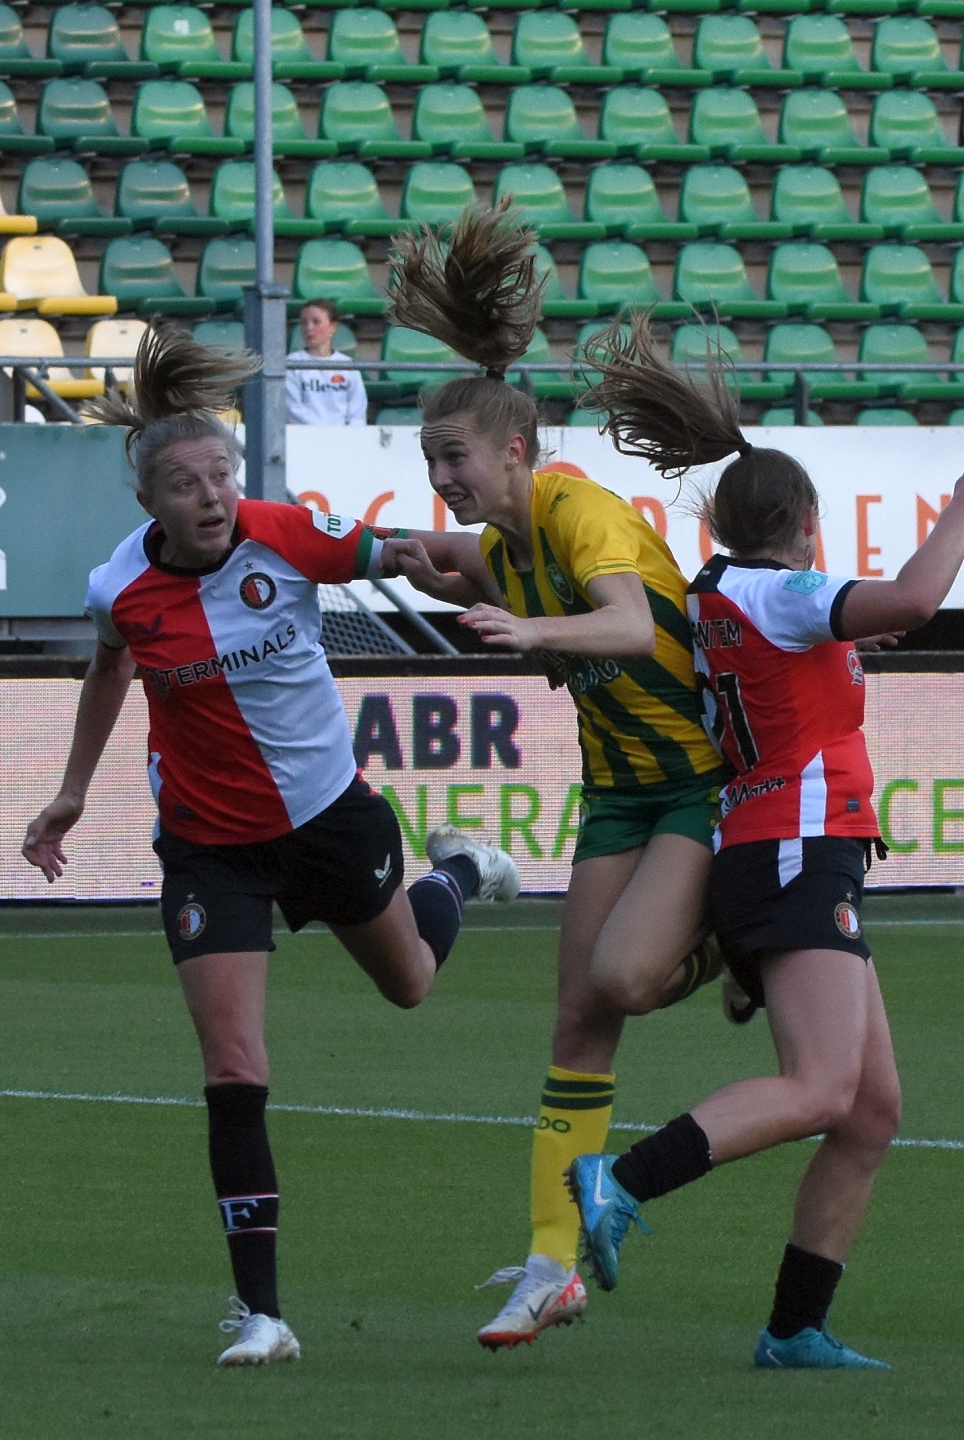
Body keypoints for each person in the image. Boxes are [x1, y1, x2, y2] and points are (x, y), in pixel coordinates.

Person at [20, 323, 521, 1368]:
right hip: (212, 851)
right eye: (187, 483)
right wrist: (71, 791)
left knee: (413, 985)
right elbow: (110, 669)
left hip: (329, 819)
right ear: (149, 501)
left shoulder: (288, 533)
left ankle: (462, 870)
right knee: (234, 1066)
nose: (211, 496)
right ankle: (262, 1315)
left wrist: (491, 588)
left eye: (221, 476)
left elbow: (406, 555)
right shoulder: (120, 589)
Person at [565, 321, 964, 1370]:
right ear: (809, 525)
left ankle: (793, 1328)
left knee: (870, 1112)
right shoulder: (784, 595)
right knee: (824, 1089)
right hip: (793, 846)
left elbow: (818, 647)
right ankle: (622, 1181)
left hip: (783, 847)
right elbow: (910, 596)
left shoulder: (722, 597)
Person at [377, 203, 737, 1350]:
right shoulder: (515, 539)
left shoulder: (585, 516)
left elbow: (629, 628)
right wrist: (404, 559)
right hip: (618, 790)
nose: (442, 479)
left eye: (454, 460)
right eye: (429, 463)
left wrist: (532, 638)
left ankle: (746, 940)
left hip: (694, 780)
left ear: (516, 453)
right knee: (578, 1017)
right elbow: (464, 567)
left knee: (627, 982)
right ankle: (550, 1263)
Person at [284, 299, 367, 426]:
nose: (309, 328)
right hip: (307, 436)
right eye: (304, 322)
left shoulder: (347, 365)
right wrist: (324, 433)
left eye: (316, 322)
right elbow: (293, 408)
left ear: (333, 326)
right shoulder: (291, 363)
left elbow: (358, 410)